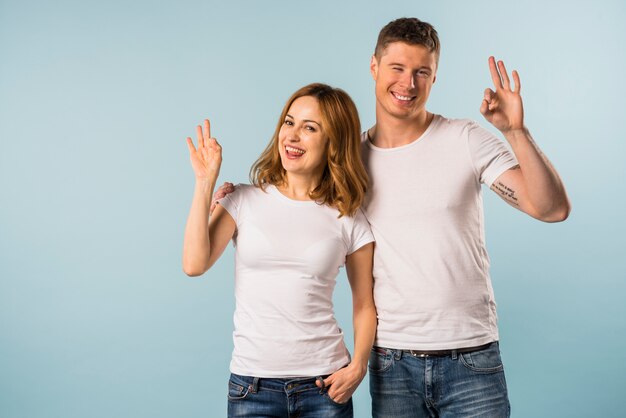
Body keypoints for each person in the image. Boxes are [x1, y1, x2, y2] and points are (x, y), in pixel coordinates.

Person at [362, 18, 571, 417]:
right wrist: (239, 198)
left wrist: (516, 132)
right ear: (374, 67)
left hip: (471, 360)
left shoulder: (465, 139)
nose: (408, 84)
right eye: (397, 69)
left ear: (434, 77)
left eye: (421, 72)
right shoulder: (351, 159)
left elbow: (551, 208)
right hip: (392, 364)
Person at [182, 83, 377, 417]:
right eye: (289, 122)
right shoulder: (241, 200)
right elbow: (194, 264)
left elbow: (364, 305)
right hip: (252, 387)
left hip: (325, 388)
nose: (293, 135)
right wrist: (204, 183)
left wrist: (358, 365)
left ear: (333, 141)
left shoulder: (348, 216)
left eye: (309, 127)